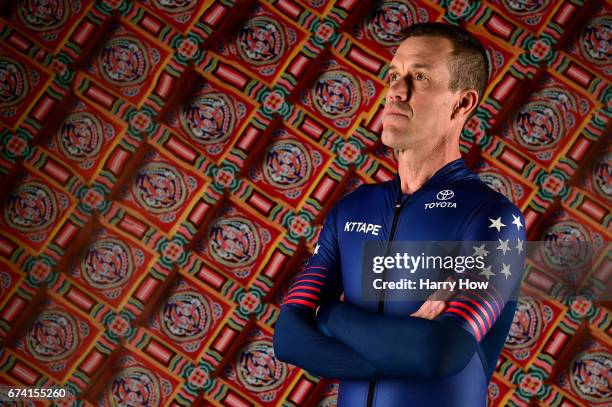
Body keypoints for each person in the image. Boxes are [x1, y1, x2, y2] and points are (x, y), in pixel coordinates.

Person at [273, 22, 526, 407]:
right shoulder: (353, 208)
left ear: (462, 103)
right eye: (394, 75)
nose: (396, 90)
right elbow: (289, 338)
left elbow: (441, 353)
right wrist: (401, 349)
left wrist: (329, 314)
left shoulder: (492, 219)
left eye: (419, 78)